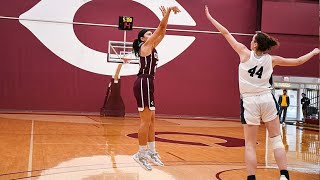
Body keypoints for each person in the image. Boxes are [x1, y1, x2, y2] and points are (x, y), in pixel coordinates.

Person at [205, 5, 319, 180]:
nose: (250, 41)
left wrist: (210, 17)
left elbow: (226, 33)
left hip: (250, 101)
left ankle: (252, 178)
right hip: (267, 99)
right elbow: (297, 61)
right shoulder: (272, 60)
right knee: (276, 139)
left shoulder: (244, 53)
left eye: (252, 39)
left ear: (256, 43)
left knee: (250, 144)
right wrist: (313, 51)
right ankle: (284, 176)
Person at [131, 6, 181, 171]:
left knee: (152, 120)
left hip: (149, 83)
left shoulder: (152, 47)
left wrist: (166, 17)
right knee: (145, 121)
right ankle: (140, 154)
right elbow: (160, 28)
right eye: (148, 34)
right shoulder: (144, 47)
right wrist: (167, 13)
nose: (151, 34)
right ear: (142, 39)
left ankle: (151, 151)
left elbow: (163, 30)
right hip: (143, 82)